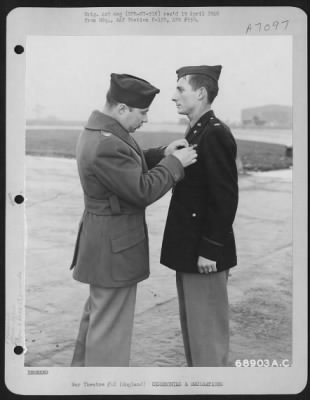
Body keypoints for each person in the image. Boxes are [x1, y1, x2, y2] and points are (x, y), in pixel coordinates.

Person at [70, 73, 197, 367]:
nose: (147, 119)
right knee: (110, 330)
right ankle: (103, 388)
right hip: (114, 248)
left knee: (98, 318)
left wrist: (163, 153)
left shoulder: (99, 132)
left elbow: (130, 160)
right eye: (143, 112)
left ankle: (79, 380)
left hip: (103, 242)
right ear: (122, 109)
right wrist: (175, 165)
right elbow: (141, 190)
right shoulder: (107, 143)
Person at [160, 65, 239, 366]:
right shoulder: (197, 131)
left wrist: (209, 249)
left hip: (203, 256)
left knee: (208, 341)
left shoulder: (214, 134)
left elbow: (225, 198)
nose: (173, 96)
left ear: (202, 93)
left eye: (180, 89)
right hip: (190, 250)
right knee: (195, 336)